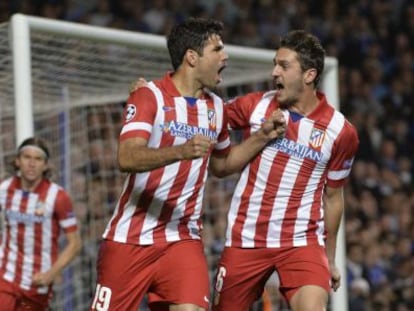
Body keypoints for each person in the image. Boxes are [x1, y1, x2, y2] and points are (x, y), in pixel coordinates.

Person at [90, 17, 285, 311]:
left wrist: (260, 137)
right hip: (130, 238)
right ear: (192, 57)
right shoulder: (149, 96)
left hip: (183, 238)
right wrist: (181, 150)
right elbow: (126, 157)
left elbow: (220, 166)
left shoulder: (216, 108)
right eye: (217, 49)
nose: (226, 56)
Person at [212, 30, 359, 311]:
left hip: (301, 242)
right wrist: (157, 93)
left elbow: (333, 197)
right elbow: (207, 115)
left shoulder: (342, 132)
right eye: (274, 64)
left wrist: (329, 258)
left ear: (309, 75)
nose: (274, 72)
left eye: (284, 65)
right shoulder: (256, 105)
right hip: (247, 238)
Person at [0, 136, 82, 310]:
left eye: (37, 159)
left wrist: (51, 274)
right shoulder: (4, 189)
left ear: (45, 165)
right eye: (27, 157)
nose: (32, 163)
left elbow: (75, 244)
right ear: (17, 161)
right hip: (5, 275)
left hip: (37, 281)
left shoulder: (58, 197)